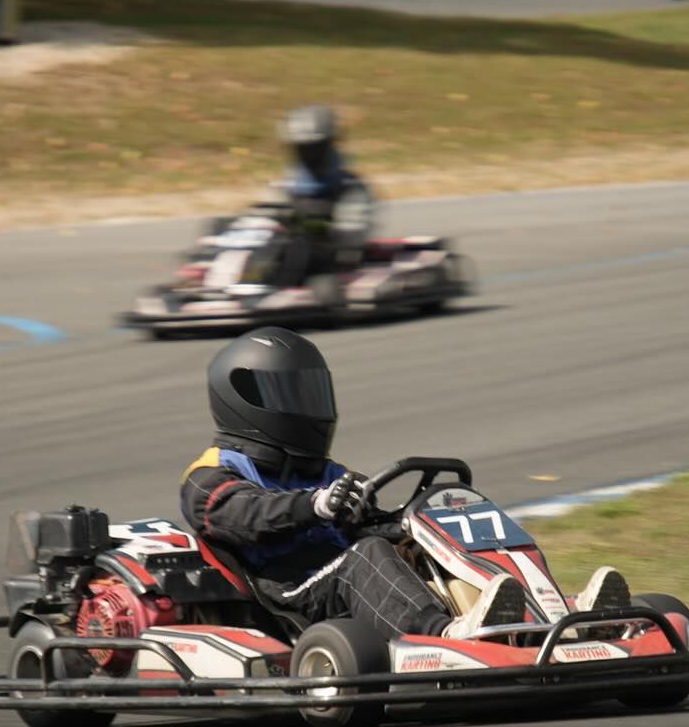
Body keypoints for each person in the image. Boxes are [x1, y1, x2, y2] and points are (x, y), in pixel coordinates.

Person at [180, 327, 632, 643]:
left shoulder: (324, 471)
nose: (306, 408)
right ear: (245, 401)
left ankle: (562, 619)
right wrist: (314, 506)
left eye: (310, 393)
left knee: (420, 544)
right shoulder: (209, 476)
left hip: (343, 578)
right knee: (368, 557)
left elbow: (366, 524)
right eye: (290, 397)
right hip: (294, 594)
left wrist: (408, 525)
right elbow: (246, 515)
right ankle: (445, 637)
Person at [265, 104, 377, 285]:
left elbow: (351, 234)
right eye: (301, 147)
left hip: (330, 259)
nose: (306, 154)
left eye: (312, 147)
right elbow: (268, 215)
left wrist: (307, 227)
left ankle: (278, 283)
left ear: (327, 144)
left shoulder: (348, 186)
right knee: (220, 227)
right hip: (285, 252)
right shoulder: (286, 185)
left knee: (299, 245)